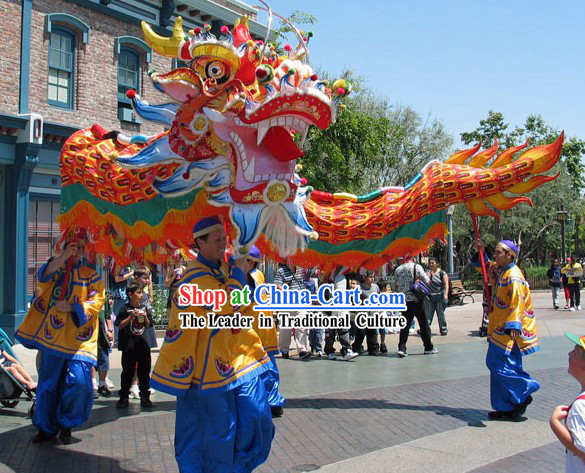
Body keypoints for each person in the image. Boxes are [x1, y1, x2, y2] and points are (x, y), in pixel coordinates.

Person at [151, 216, 274, 473]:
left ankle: (237, 466)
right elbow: (226, 306)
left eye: (224, 239)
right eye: (217, 240)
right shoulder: (193, 278)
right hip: (207, 372)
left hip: (237, 361)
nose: (223, 244)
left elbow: (244, 307)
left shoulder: (223, 270)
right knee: (217, 433)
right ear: (200, 243)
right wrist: (239, 271)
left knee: (257, 417)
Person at [15, 234, 105, 443]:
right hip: (52, 337)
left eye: (81, 248)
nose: (78, 251)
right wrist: (64, 257)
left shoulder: (90, 275)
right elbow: (43, 277)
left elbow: (97, 300)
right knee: (48, 385)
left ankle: (67, 423)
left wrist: (73, 307)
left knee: (80, 382)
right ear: (65, 247)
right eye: (74, 246)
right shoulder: (55, 268)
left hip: (79, 340)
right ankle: (46, 427)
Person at [480, 240, 540, 421]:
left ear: (509, 255)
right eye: (496, 252)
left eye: (499, 253)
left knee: (495, 362)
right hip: (498, 326)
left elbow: (518, 301)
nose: (496, 256)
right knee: (508, 364)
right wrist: (481, 250)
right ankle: (507, 406)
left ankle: (524, 389)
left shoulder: (513, 275)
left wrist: (514, 325)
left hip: (506, 329)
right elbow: (484, 266)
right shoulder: (500, 270)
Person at [244, 246, 286, 418]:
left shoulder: (252, 276)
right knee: (266, 369)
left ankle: (270, 402)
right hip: (258, 330)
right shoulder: (256, 275)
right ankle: (271, 402)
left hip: (257, 332)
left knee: (264, 369)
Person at [115, 281, 154, 408]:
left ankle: (145, 397)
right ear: (130, 294)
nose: (141, 295)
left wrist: (145, 317)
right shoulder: (124, 308)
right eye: (138, 292)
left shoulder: (144, 307)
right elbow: (120, 325)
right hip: (129, 346)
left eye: (142, 292)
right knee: (127, 372)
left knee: (144, 372)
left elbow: (148, 325)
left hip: (143, 345)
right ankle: (123, 397)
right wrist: (131, 317)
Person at [550, 332, 585, 471]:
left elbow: (581, 449)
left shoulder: (580, 406)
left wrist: (554, 424)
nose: (569, 353)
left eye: (575, 352)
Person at [394, 257, 437, 358]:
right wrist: (429, 276)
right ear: (412, 258)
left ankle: (402, 348)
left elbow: (396, 285)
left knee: (404, 326)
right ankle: (428, 347)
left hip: (404, 301)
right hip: (417, 300)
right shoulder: (416, 267)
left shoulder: (398, 269)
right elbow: (427, 281)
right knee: (423, 324)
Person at [274, 262, 311, 360]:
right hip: (286, 302)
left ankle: (302, 350)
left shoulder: (302, 270)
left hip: (301, 300)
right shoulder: (281, 271)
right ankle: (284, 350)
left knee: (302, 324)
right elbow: (277, 285)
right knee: (285, 328)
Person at [324, 267, 358, 361]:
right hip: (333, 305)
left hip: (339, 305)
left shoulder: (343, 275)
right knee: (331, 330)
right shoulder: (338, 274)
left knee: (341, 328)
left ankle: (346, 350)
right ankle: (331, 350)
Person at [352, 271, 380, 356]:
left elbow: (379, 298)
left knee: (372, 333)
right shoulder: (359, 288)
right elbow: (354, 301)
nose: (372, 279)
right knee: (361, 333)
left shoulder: (375, 287)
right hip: (363, 315)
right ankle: (356, 348)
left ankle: (373, 349)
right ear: (365, 278)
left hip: (373, 315)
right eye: (370, 277)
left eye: (373, 277)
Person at [96, 294, 115, 397]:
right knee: (90, 360)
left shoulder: (103, 296)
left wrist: (110, 329)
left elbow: (108, 315)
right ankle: (92, 384)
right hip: (89, 334)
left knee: (104, 358)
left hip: (102, 334)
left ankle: (102, 384)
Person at [425, 257, 450, 336]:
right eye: (430, 263)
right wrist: (428, 277)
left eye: (433, 263)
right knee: (428, 315)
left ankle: (443, 330)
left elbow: (446, 284)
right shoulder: (428, 273)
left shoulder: (442, 273)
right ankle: (426, 329)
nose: (431, 264)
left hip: (440, 297)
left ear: (436, 263)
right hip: (430, 297)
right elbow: (425, 284)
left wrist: (446, 294)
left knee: (440, 314)